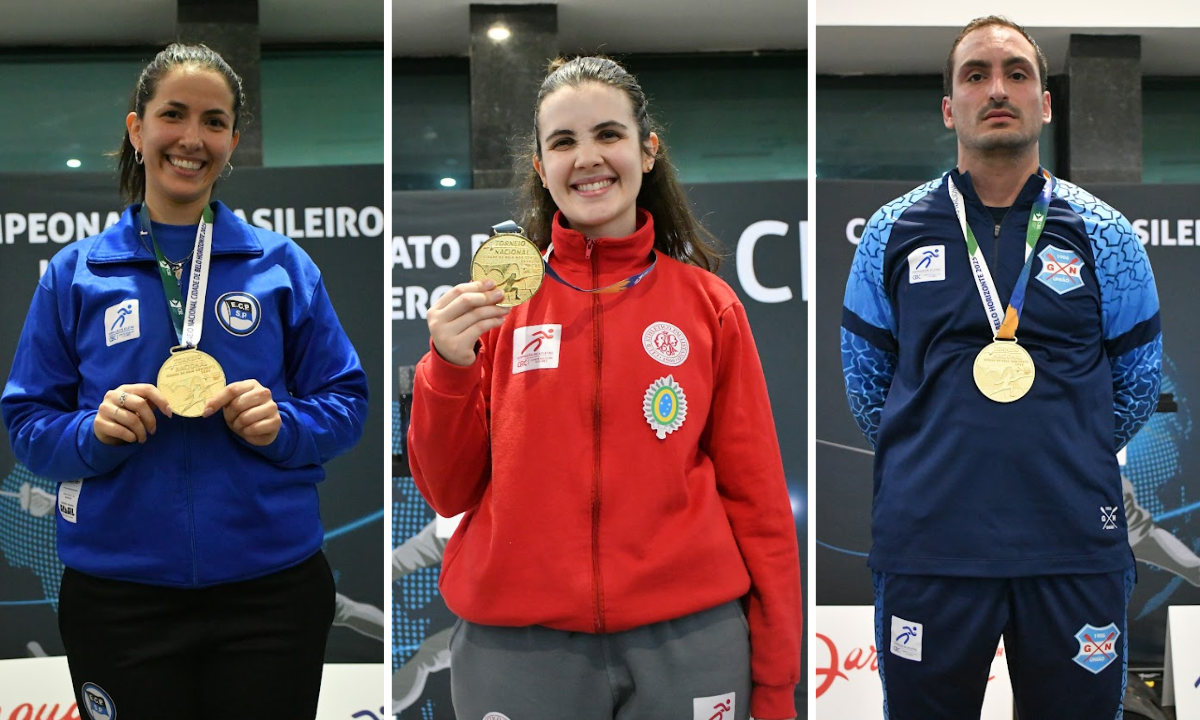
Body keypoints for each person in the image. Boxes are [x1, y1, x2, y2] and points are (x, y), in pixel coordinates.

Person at [408, 56, 801, 720]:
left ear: (648, 151)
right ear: (540, 167)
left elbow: (758, 506)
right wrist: (446, 367)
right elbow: (447, 492)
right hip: (518, 652)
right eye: (563, 142)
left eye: (608, 135)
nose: (587, 158)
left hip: (690, 642)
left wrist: (774, 685)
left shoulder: (709, 306)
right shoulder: (498, 308)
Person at [1, 44, 368, 720]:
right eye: (174, 115)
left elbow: (346, 403)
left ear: (233, 139)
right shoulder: (74, 274)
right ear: (138, 130)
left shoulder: (282, 266)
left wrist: (285, 425)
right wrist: (91, 432)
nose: (193, 139)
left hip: (272, 593)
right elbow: (28, 423)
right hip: (119, 598)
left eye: (215, 121)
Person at [841, 16, 1162, 719]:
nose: (998, 89)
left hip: (1073, 545)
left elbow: (1136, 387)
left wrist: (1062, 448)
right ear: (949, 106)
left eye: (1017, 73)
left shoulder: (1105, 234)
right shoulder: (891, 233)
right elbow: (869, 387)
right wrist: (940, 453)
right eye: (976, 75)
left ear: (1046, 103)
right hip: (930, 548)